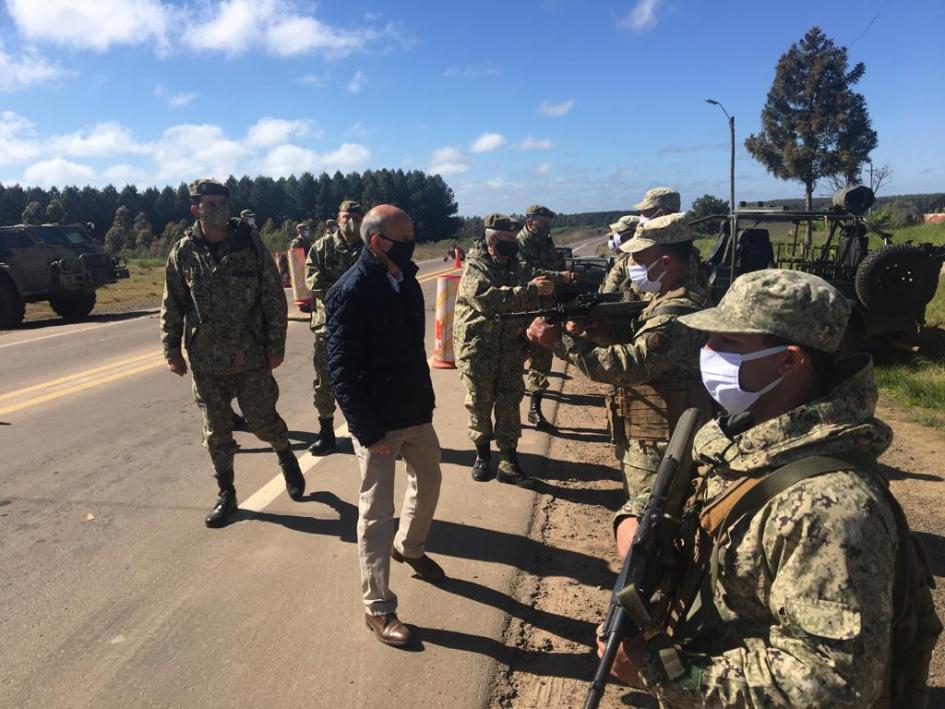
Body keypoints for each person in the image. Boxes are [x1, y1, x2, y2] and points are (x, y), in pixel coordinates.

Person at [600, 269, 941, 707]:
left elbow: (830, 687)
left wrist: (661, 672)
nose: (707, 352)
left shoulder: (828, 507)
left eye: (727, 343)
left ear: (790, 361)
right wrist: (633, 521)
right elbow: (693, 486)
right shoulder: (745, 431)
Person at [527, 213, 711, 549]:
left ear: (666, 261)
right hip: (658, 432)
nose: (631, 265)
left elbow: (628, 365)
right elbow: (637, 341)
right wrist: (601, 330)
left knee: (651, 533)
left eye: (639, 258)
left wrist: (560, 342)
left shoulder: (677, 311)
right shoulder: (670, 297)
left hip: (660, 443)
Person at [326, 204, 445, 648]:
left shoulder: (406, 280)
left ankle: (410, 547)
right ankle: (378, 608)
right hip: (378, 425)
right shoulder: (349, 292)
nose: (412, 242)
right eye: (405, 237)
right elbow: (341, 372)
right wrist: (367, 431)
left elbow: (414, 352)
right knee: (376, 514)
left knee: (430, 480)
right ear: (377, 242)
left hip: (414, 413)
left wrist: (426, 403)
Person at [160, 178, 305, 528]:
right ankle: (227, 494)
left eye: (222, 203)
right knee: (216, 430)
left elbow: (272, 296)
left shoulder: (249, 244)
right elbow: (174, 302)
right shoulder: (183, 251)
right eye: (210, 204)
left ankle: (285, 453)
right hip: (205, 360)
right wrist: (171, 348)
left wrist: (275, 346)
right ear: (196, 209)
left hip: (251, 354)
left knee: (262, 421)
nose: (218, 210)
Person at [453, 214, 555, 486]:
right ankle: (483, 454)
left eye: (515, 239)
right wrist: (530, 290)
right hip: (479, 349)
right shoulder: (476, 265)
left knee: (510, 405)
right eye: (509, 240)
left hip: (510, 348)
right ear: (493, 240)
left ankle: (509, 460)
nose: (514, 244)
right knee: (479, 404)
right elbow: (488, 299)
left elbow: (533, 291)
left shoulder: (516, 266)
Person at [304, 200, 365, 455]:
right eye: (345, 216)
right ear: (337, 219)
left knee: (364, 379)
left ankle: (364, 430)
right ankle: (326, 432)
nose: (349, 221)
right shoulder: (322, 247)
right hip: (329, 327)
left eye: (355, 216)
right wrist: (340, 293)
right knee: (325, 381)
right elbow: (311, 278)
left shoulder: (370, 246)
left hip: (363, 326)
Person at [516, 204, 577, 430]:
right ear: (531, 221)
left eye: (549, 223)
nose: (547, 226)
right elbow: (527, 272)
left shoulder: (547, 241)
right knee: (514, 358)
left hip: (546, 307)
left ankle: (535, 408)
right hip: (523, 308)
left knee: (542, 358)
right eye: (544, 222)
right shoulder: (519, 242)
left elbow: (554, 264)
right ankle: (505, 410)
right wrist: (560, 276)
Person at [599, 215, 641, 298]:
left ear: (631, 234)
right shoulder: (619, 260)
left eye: (618, 233)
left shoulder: (633, 261)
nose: (613, 238)